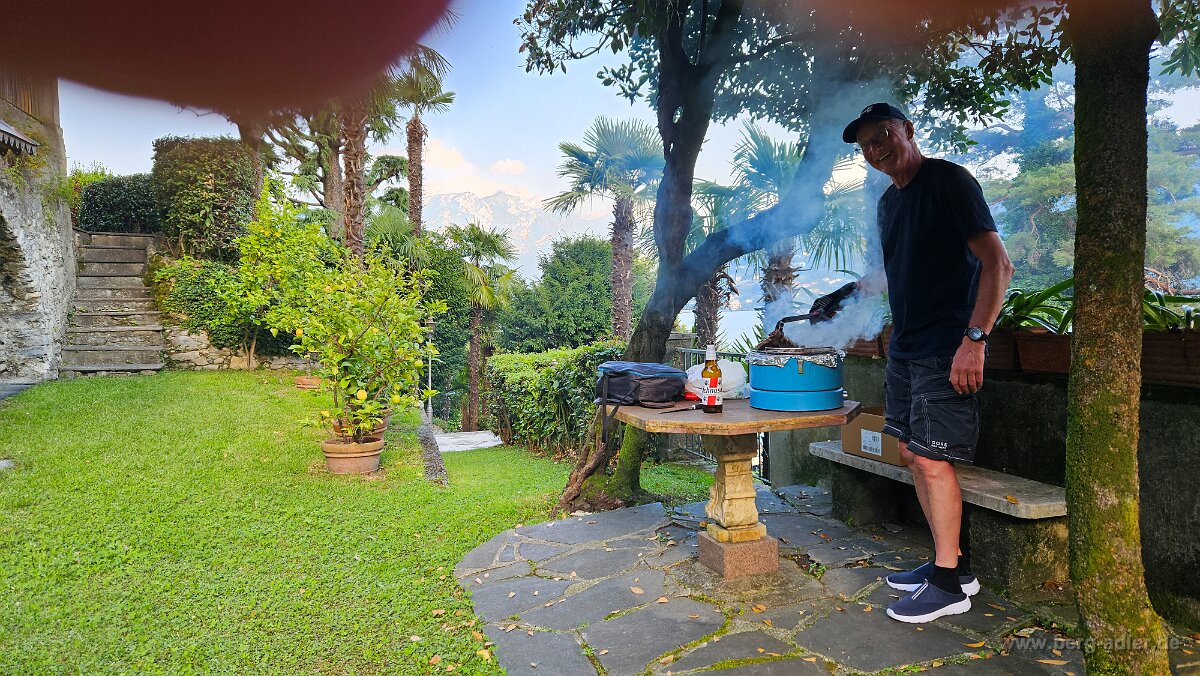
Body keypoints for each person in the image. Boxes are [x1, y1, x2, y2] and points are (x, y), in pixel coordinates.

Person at [812, 102, 1013, 624]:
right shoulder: (890, 203)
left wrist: (975, 340)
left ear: (907, 130)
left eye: (883, 134)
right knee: (910, 453)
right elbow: (893, 270)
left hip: (948, 346)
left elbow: (998, 263)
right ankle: (953, 566)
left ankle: (947, 586)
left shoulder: (948, 182)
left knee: (931, 459)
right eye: (866, 145)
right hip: (906, 346)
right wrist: (844, 293)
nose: (876, 149)